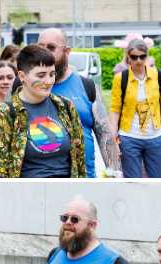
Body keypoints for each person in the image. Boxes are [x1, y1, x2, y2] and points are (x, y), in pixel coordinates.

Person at [0, 45, 86, 178]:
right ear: (22, 76)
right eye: (41, 75)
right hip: (27, 193)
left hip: (66, 190)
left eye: (52, 74)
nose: (48, 81)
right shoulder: (5, 113)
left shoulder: (65, 106)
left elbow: (79, 159)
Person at [37, 28, 121, 178]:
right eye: (40, 47)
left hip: (83, 182)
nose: (44, 53)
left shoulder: (87, 87)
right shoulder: (23, 88)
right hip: (40, 183)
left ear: (67, 52)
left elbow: (106, 138)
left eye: (51, 47)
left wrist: (115, 174)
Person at [109, 38, 161, 178]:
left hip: (155, 136)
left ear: (147, 56)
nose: (138, 61)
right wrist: (114, 136)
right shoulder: (120, 78)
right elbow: (115, 109)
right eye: (134, 57)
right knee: (132, 181)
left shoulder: (158, 76)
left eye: (142, 56)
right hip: (129, 138)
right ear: (128, 57)